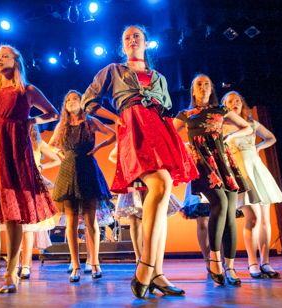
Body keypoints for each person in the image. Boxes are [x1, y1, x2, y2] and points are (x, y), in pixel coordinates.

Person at [81, 25, 198, 298]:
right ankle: (146, 265)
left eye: (137, 36)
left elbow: (166, 110)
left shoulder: (160, 78)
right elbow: (89, 101)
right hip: (133, 128)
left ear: (147, 43)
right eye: (127, 38)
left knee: (163, 191)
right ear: (122, 47)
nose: (132, 40)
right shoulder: (112, 71)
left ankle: (156, 272)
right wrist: (115, 119)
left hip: (160, 129)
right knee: (161, 185)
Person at [0, 45, 59, 294]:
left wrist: (32, 120)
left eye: (4, 56)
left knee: (12, 209)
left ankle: (11, 273)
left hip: (16, 149)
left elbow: (53, 113)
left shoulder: (26, 90)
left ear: (17, 61)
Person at [173, 74, 252, 286]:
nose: (203, 86)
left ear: (212, 88)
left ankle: (230, 266)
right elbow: (170, 135)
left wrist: (230, 136)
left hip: (224, 162)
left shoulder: (222, 110)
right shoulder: (186, 114)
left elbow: (248, 127)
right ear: (192, 90)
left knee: (229, 214)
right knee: (221, 203)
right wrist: (186, 147)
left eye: (207, 83)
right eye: (199, 84)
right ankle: (214, 258)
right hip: (202, 163)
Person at [49, 90, 116, 282]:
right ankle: (76, 265)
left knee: (90, 220)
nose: (71, 102)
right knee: (70, 221)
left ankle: (94, 262)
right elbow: (51, 145)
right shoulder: (61, 126)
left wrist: (98, 148)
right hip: (68, 171)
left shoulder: (90, 121)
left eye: (75, 99)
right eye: (68, 100)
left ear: (82, 102)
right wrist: (62, 155)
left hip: (87, 169)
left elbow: (112, 134)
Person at [222, 91, 282, 279]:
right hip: (241, 172)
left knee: (265, 219)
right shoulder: (224, 127)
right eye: (230, 101)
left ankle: (265, 262)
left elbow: (271, 138)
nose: (234, 103)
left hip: (257, 170)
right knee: (253, 219)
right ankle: (252, 263)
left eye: (237, 101)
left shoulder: (251, 124)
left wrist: (258, 147)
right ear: (225, 106)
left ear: (242, 104)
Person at [108, 145, 183, 261]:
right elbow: (112, 156)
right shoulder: (129, 138)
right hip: (135, 181)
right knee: (136, 221)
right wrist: (130, 165)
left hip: (151, 179)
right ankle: (139, 259)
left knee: (155, 218)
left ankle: (153, 259)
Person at [20, 124, 61, 279]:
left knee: (29, 225)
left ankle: (25, 265)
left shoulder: (38, 144)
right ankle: (19, 263)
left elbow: (56, 159)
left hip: (31, 183)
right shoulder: (16, 140)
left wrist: (41, 166)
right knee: (17, 224)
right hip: (17, 182)